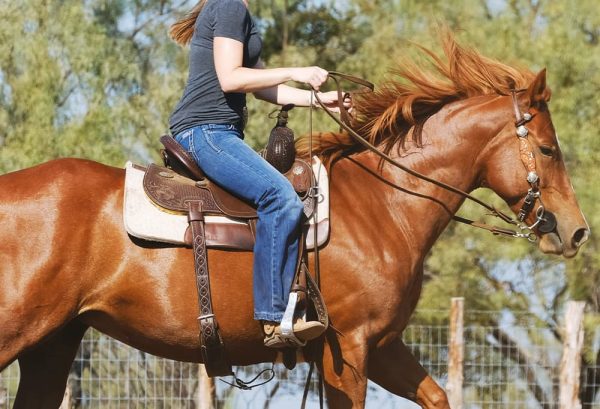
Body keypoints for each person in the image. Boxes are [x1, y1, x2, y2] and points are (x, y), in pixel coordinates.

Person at [168, 0, 346, 348]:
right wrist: (297, 69)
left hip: (219, 132)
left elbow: (260, 86)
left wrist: (319, 101)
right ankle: (274, 318)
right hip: (207, 132)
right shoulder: (231, 5)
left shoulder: (238, 10)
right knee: (280, 199)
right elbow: (231, 78)